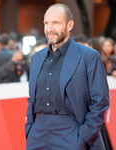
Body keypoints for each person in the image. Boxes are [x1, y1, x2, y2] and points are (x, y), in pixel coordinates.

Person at [25, 4, 109, 150]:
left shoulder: (89, 56)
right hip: (37, 134)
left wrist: (84, 136)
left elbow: (100, 101)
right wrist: (30, 129)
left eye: (56, 23)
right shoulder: (36, 58)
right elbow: (32, 98)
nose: (50, 28)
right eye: (46, 23)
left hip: (71, 132)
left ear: (69, 25)